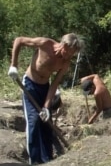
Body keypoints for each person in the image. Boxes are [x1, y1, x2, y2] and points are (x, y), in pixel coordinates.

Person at [7, 33, 83, 165]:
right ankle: (35, 160)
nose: (68, 57)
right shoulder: (45, 44)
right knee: (34, 120)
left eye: (72, 55)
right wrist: (14, 65)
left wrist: (47, 107)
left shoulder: (65, 63)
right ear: (63, 45)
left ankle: (48, 159)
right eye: (68, 53)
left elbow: (54, 84)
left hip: (45, 88)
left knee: (46, 123)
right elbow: (19, 40)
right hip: (30, 84)